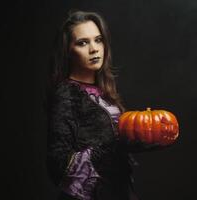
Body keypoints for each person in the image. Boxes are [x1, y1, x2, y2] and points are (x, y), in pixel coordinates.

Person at [45, 10, 164, 200]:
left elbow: (114, 146)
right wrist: (110, 147)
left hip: (118, 191)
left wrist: (142, 139)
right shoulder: (66, 93)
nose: (94, 49)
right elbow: (58, 162)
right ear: (68, 50)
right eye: (83, 43)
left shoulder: (105, 91)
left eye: (98, 40)